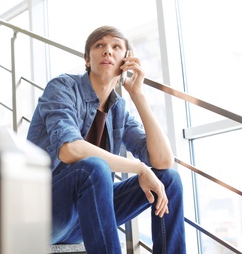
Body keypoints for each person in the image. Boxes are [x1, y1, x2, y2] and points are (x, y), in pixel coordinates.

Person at [27, 25, 186, 254]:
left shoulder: (118, 109)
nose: (107, 51)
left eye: (116, 47)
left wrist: (138, 95)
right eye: (99, 45)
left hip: (85, 220)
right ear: (87, 59)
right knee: (93, 167)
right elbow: (69, 150)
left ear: (126, 60)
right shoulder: (62, 87)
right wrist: (140, 168)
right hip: (44, 214)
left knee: (169, 179)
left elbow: (162, 160)